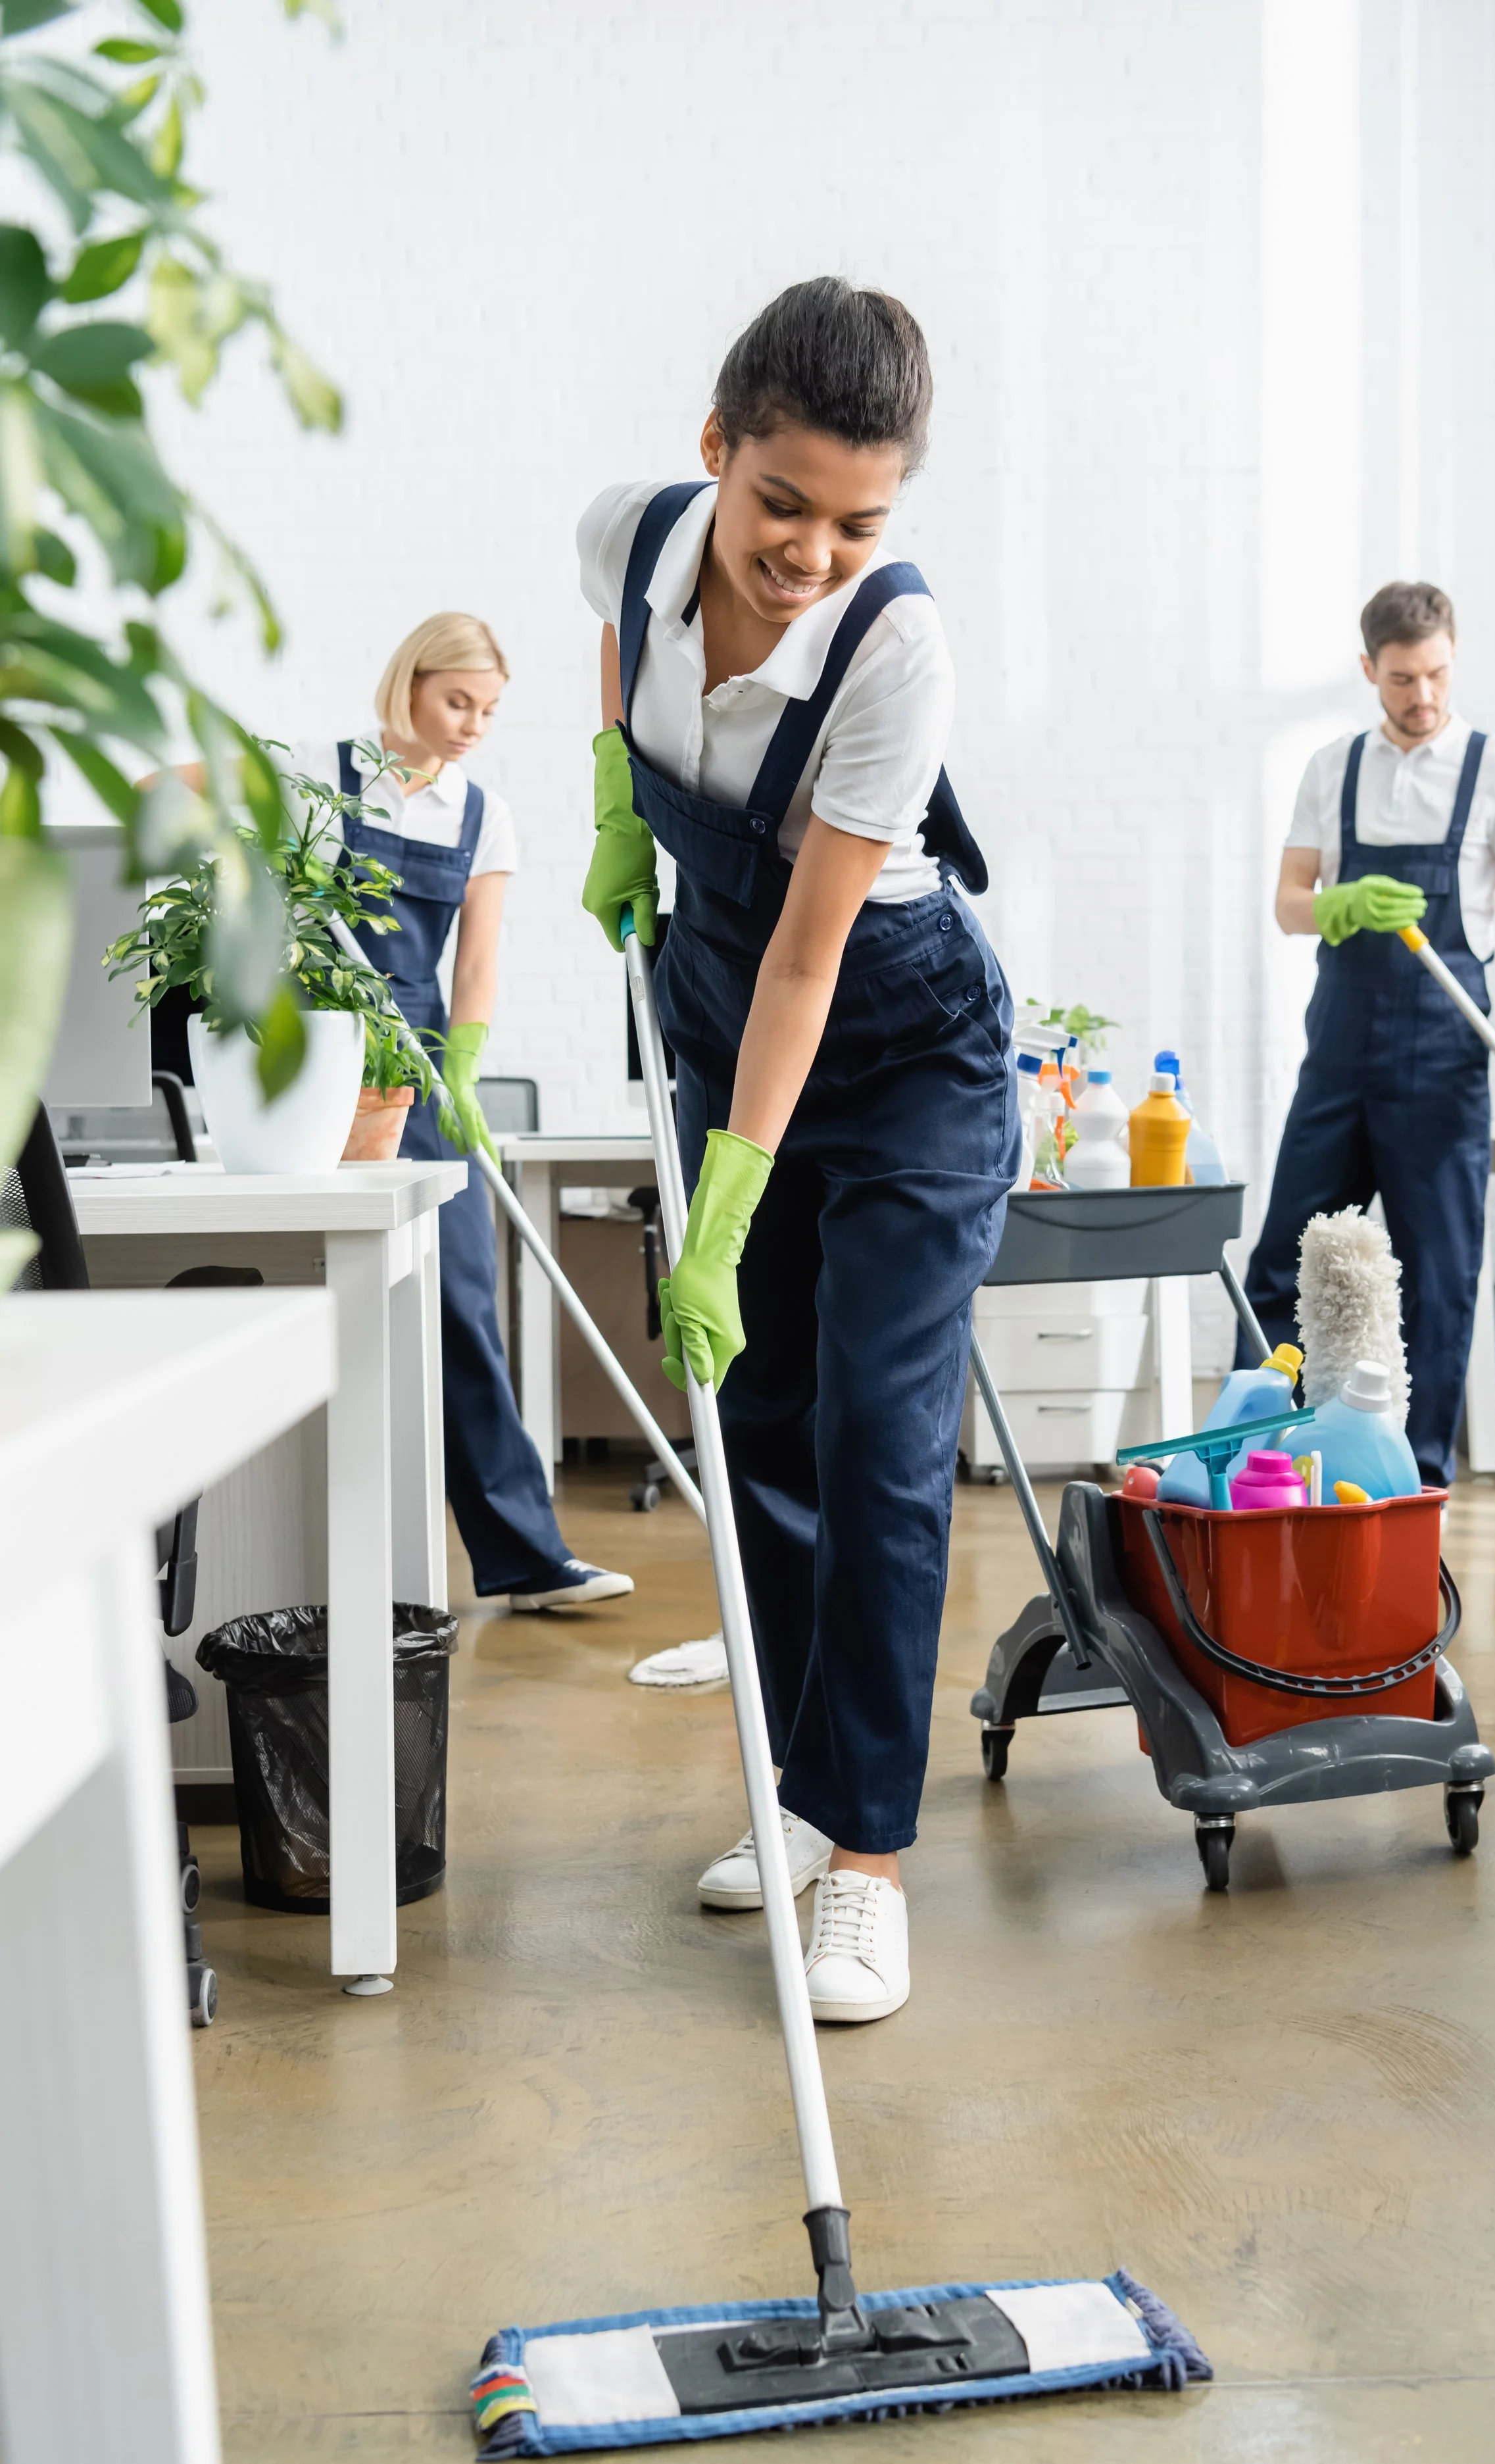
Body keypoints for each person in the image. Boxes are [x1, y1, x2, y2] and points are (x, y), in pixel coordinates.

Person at [578, 278, 1016, 2024]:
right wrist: (620, 799)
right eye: (780, 505)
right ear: (714, 453)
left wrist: (723, 1209)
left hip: (898, 1056)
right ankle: (788, 1790)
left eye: (859, 520)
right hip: (717, 1010)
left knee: (872, 1431)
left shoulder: (895, 650)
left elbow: (811, 956)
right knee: (754, 1420)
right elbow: (625, 639)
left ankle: (867, 1866)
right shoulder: (624, 534)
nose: (810, 551)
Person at [166, 616, 635, 1614]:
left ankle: (524, 1555)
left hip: (415, 1062)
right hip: (313, 1045)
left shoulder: (482, 814)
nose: (472, 725)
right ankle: (307, 1558)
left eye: (490, 710)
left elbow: (477, 959)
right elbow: (170, 793)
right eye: (457, 701)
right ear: (408, 685)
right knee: (311, 1279)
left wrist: (461, 1062)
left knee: (463, 1299)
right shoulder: (323, 779)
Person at [1238, 581, 1495, 1487]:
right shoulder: (1331, 770)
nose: (1422, 696)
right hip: (1341, 1050)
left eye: (1436, 674)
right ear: (1367, 670)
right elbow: (1288, 902)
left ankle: (1409, 1480)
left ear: (1453, 656)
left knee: (1438, 1274)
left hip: (1444, 1057)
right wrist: (1338, 904)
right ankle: (1254, 1455)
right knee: (1284, 1256)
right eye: (1401, 679)